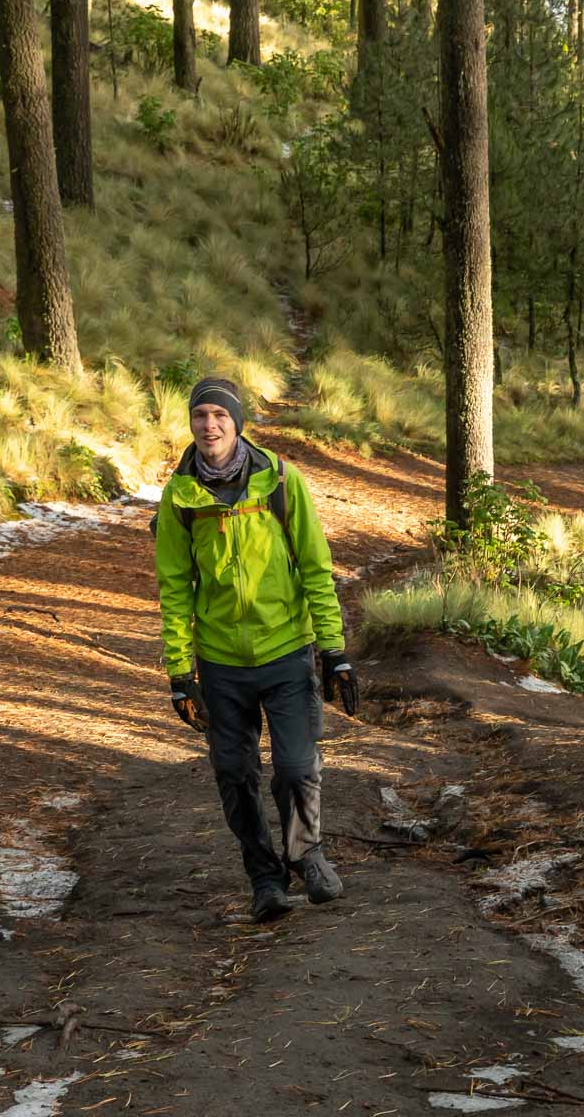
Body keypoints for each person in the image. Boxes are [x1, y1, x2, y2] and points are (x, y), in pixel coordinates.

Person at [155, 377, 359, 923]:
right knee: (234, 774)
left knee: (295, 766)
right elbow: (175, 588)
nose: (209, 425)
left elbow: (316, 568)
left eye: (219, 414)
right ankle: (265, 878)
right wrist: (180, 672)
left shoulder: (280, 482)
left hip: (287, 650)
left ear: (237, 422)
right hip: (220, 664)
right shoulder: (181, 498)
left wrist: (333, 651)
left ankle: (305, 853)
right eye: (200, 415)